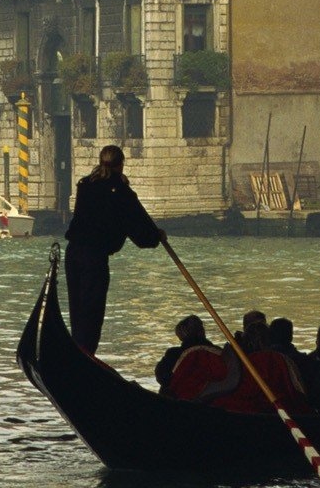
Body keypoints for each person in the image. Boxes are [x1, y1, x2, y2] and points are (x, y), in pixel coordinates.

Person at [64, 145, 165, 354]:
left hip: (73, 254)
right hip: (94, 258)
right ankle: (85, 356)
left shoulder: (85, 185)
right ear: (121, 165)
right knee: (92, 313)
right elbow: (139, 226)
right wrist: (156, 236)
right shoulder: (120, 191)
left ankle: (78, 351)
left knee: (78, 310)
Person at [155, 315, 217, 397]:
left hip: (177, 398)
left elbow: (162, 378)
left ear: (181, 335)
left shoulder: (173, 354)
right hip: (210, 397)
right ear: (202, 331)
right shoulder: (216, 352)